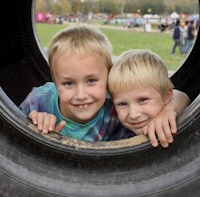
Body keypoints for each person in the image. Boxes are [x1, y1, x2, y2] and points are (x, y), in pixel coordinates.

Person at [19, 25, 189, 147]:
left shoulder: (117, 102)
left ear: (108, 77)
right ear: (54, 82)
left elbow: (179, 96)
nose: (81, 94)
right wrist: (33, 125)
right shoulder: (39, 101)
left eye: (91, 81)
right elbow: (9, 137)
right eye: (68, 83)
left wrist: (169, 111)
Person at [108, 49, 177, 141]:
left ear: (166, 97)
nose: (133, 115)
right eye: (122, 104)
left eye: (142, 100)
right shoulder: (116, 126)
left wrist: (169, 110)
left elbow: (183, 97)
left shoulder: (171, 122)